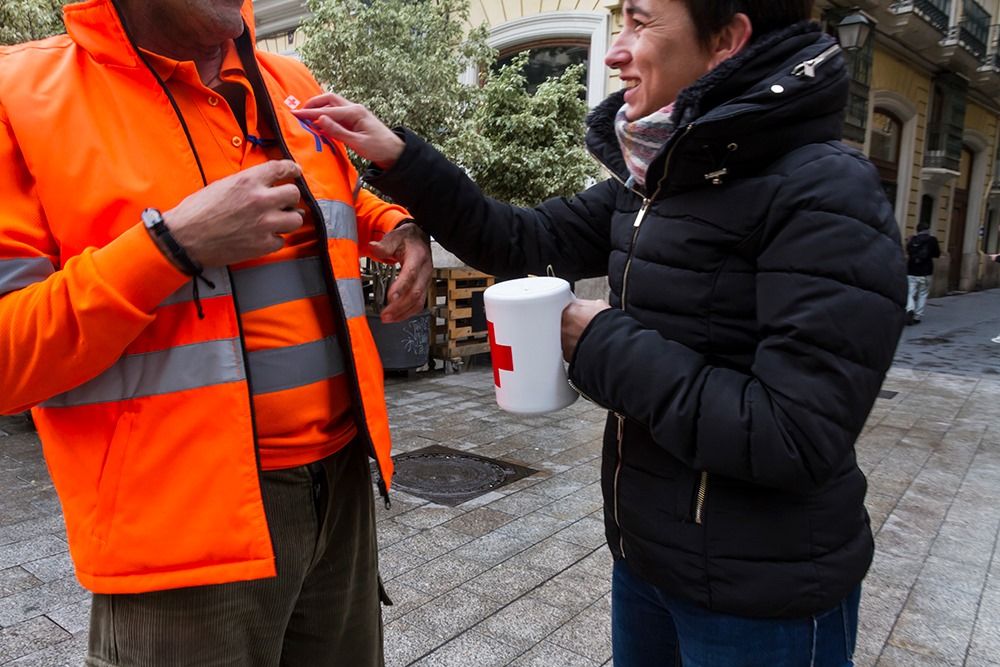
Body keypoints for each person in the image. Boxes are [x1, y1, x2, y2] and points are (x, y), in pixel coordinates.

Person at [293, 0, 907, 664]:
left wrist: (597, 342)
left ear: (727, 38)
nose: (616, 50)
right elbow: (520, 239)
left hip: (763, 598)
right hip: (647, 563)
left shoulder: (826, 192)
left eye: (640, 23)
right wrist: (400, 157)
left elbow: (795, 435)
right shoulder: (659, 181)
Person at [0, 1, 432, 665]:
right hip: (179, 536)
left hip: (343, 491)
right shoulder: (19, 97)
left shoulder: (288, 82)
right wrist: (169, 247)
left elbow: (337, 188)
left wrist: (395, 227)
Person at [904, 222, 941, 325]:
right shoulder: (932, 240)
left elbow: (908, 251)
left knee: (909, 293)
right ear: (928, 229)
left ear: (917, 230)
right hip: (926, 271)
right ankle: (917, 316)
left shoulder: (912, 239)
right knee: (923, 293)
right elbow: (937, 254)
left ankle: (910, 308)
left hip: (911, 270)